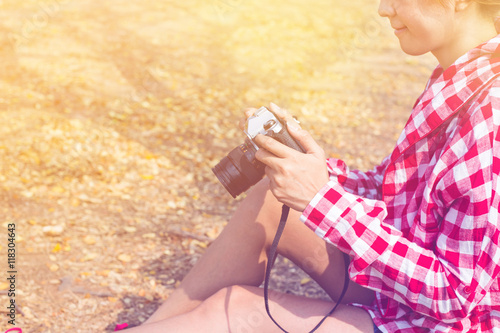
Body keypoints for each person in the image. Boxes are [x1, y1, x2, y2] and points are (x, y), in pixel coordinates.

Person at [117, 0, 500, 331]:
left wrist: (321, 199)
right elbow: (393, 190)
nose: (384, 9)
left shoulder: (489, 117)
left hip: (442, 322)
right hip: (406, 288)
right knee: (271, 198)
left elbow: (454, 299)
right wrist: (306, 165)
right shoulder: (459, 78)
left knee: (235, 308)